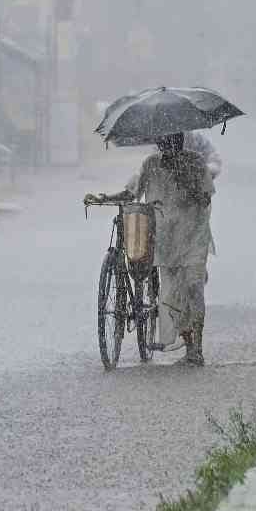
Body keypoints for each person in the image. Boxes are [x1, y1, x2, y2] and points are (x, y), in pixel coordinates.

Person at [87, 132, 215, 366]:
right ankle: (188, 343)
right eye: (163, 141)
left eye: (172, 140)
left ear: (180, 139)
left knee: (193, 289)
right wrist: (105, 197)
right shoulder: (151, 163)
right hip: (165, 240)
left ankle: (197, 348)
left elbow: (206, 198)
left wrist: (187, 182)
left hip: (193, 236)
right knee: (170, 296)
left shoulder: (196, 162)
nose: (167, 145)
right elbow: (133, 192)